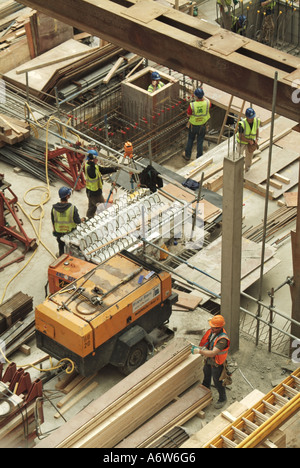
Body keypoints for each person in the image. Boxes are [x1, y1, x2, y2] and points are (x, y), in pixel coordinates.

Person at [191, 314, 230, 409]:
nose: (212, 329)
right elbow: (209, 342)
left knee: (217, 381)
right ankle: (205, 388)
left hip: (217, 363)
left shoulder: (223, 340)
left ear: (220, 327)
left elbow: (213, 353)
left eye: (214, 328)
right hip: (209, 359)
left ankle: (222, 398)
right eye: (211, 326)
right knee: (206, 373)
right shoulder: (213, 331)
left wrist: (199, 351)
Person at [85, 149, 117, 219]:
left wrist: (114, 169)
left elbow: (102, 170)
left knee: (92, 207)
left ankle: (89, 219)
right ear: (92, 159)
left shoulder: (94, 166)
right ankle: (102, 220)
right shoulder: (89, 168)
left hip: (91, 191)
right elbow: (92, 175)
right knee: (102, 208)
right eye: (96, 158)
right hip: (95, 193)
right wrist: (92, 162)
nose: (98, 160)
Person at [51, 186, 83, 257]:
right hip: (70, 233)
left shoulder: (54, 208)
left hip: (59, 233)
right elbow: (78, 221)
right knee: (74, 248)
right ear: (68, 196)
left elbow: (53, 221)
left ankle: (61, 256)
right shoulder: (72, 208)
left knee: (61, 246)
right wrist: (82, 220)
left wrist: (55, 231)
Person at [184, 87, 211, 161]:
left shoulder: (192, 105)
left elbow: (188, 115)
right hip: (203, 126)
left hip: (193, 126)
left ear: (195, 96)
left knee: (190, 139)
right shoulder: (207, 103)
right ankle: (199, 157)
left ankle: (187, 156)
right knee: (200, 141)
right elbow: (207, 100)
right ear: (203, 96)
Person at [236, 107, 261, 172]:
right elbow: (240, 137)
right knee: (239, 155)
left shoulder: (256, 121)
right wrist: (248, 141)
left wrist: (256, 138)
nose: (252, 119)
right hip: (241, 142)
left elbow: (257, 129)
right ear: (246, 117)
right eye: (250, 118)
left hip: (251, 142)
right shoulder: (242, 124)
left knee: (249, 156)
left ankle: (247, 168)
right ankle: (238, 169)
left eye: (252, 117)